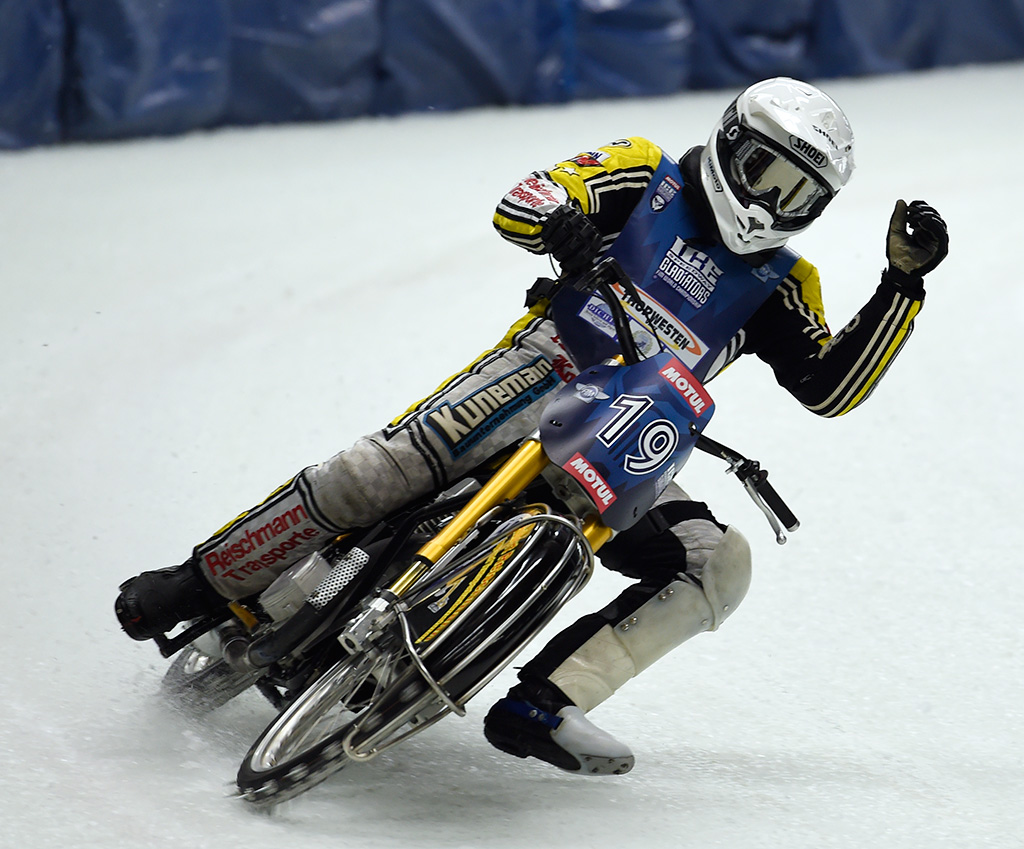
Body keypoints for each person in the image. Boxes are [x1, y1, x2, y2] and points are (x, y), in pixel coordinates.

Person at [116, 77, 948, 776]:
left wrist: (901, 286)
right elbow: (525, 199)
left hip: (639, 437)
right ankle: (200, 580)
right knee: (383, 470)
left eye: (796, 194)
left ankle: (545, 704)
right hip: (546, 370)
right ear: (730, 143)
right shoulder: (645, 172)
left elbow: (829, 388)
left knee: (717, 564)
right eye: (764, 172)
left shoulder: (784, 280)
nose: (769, 202)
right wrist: (563, 224)